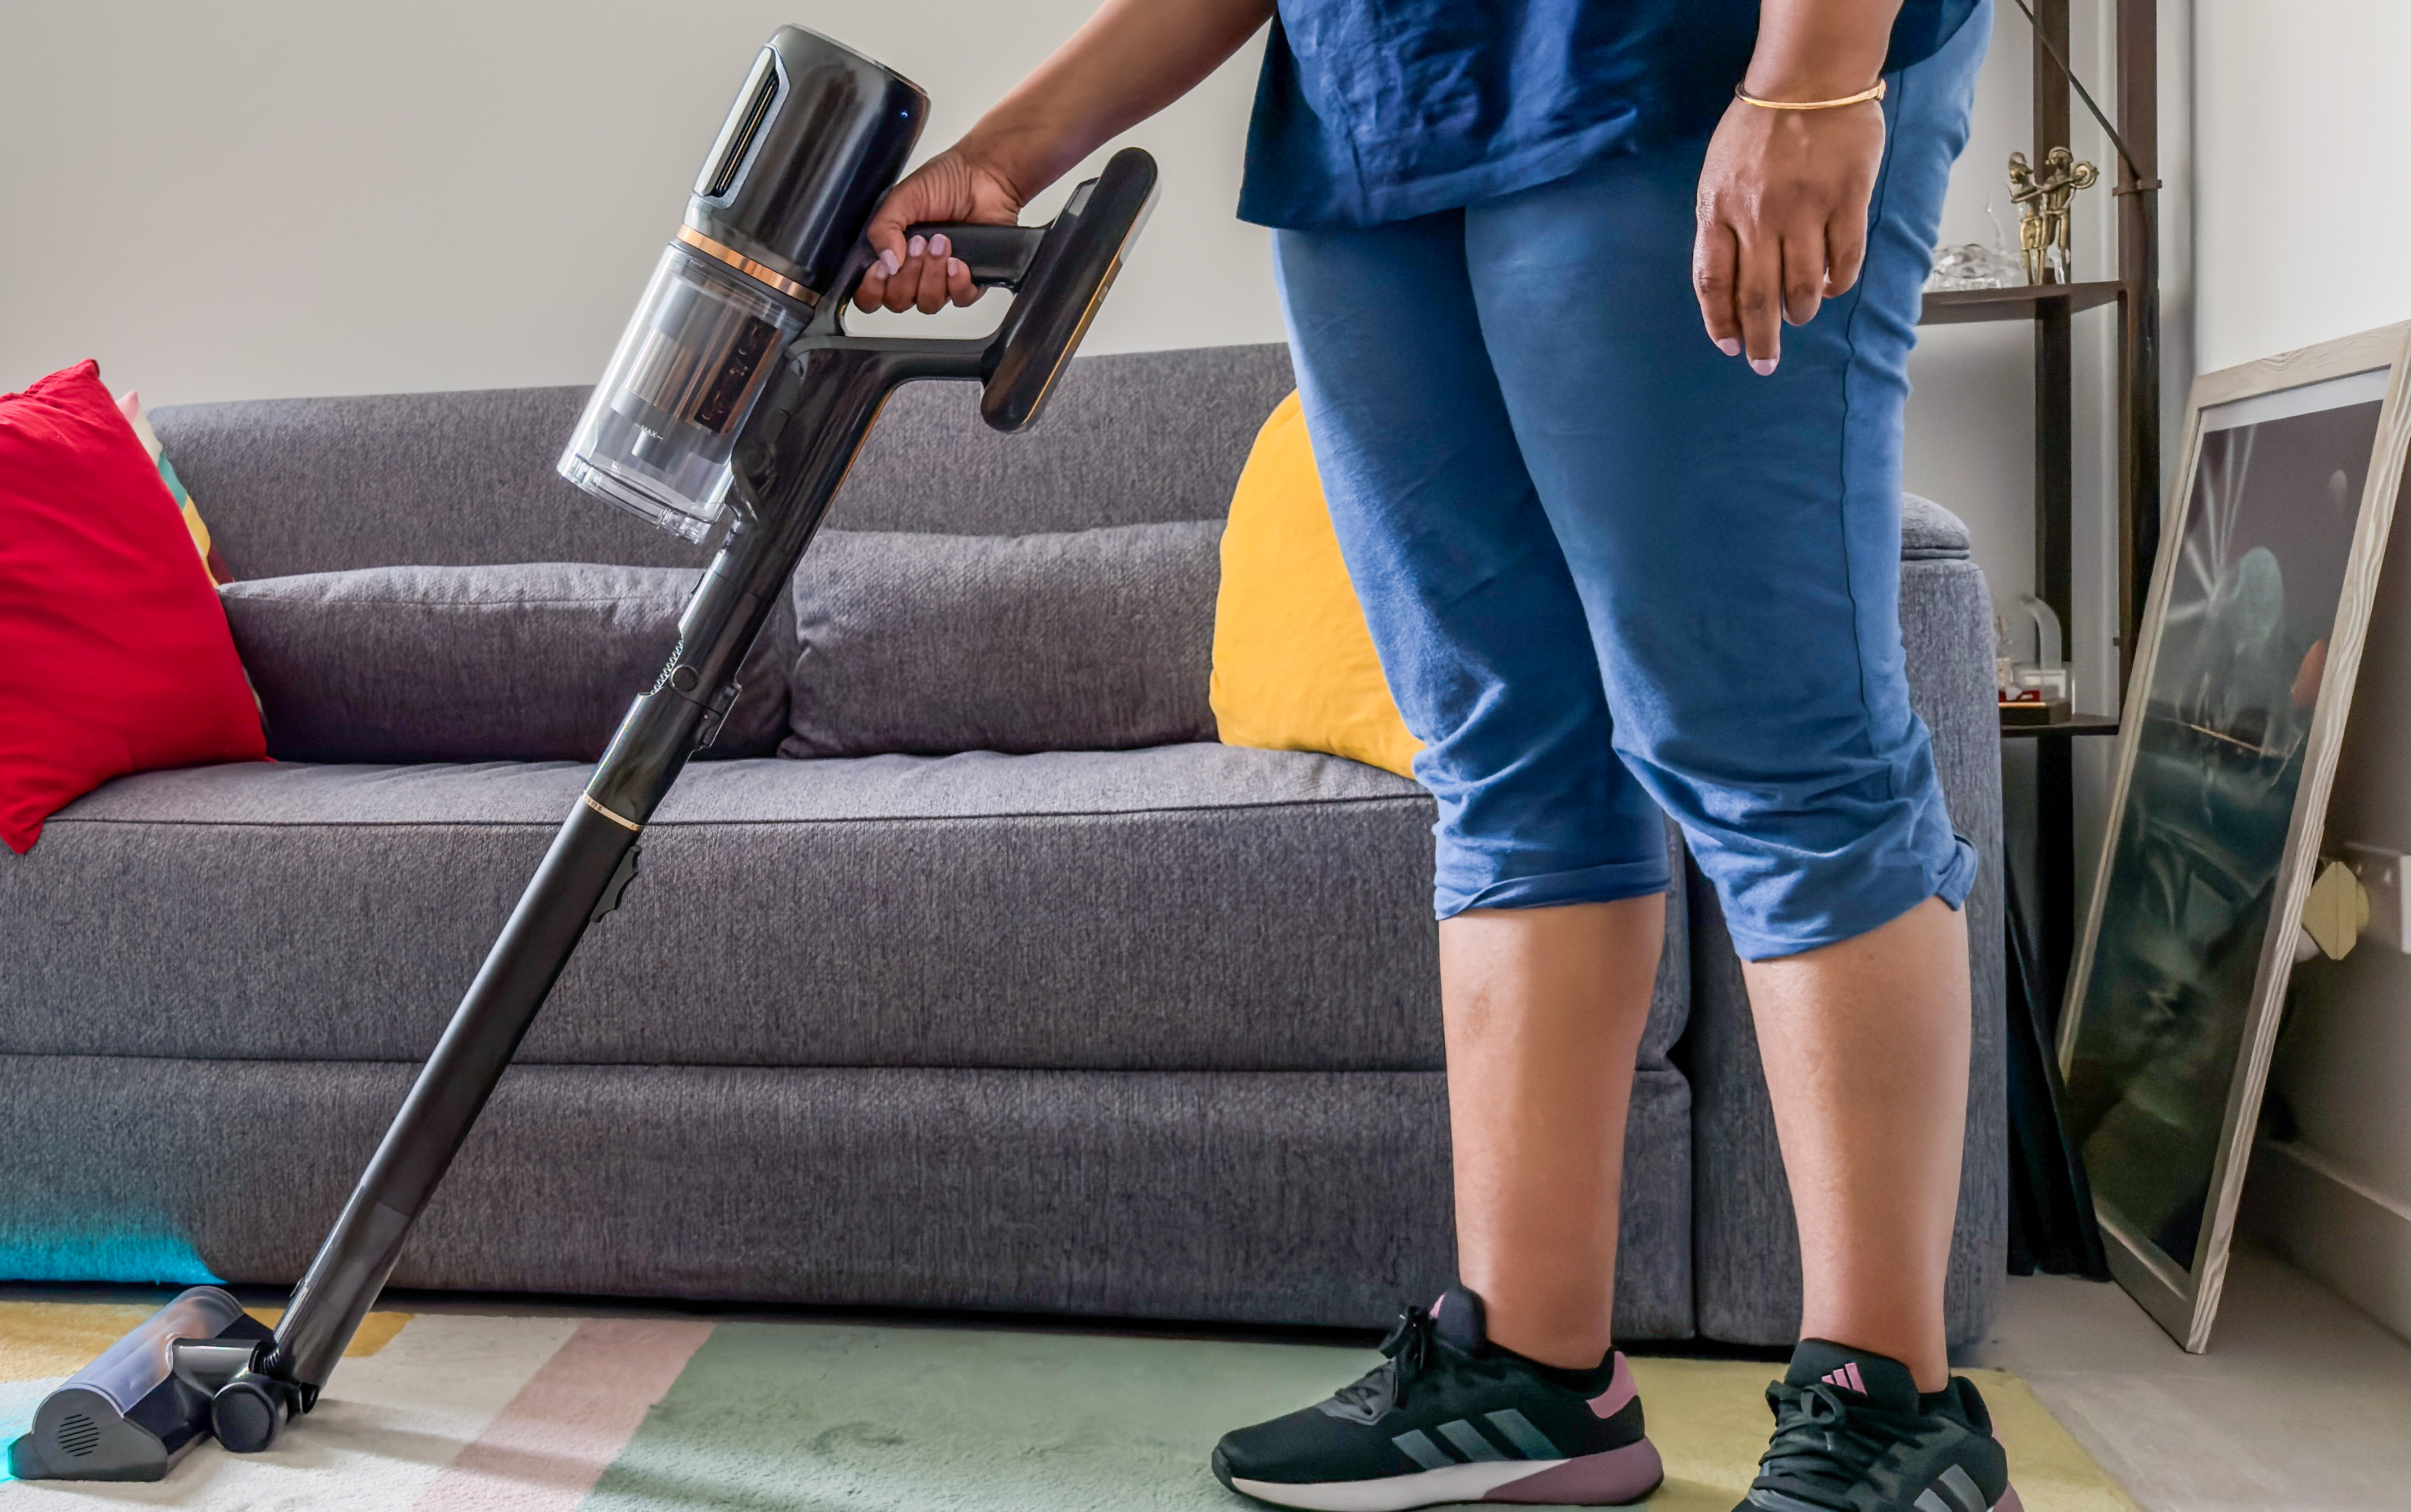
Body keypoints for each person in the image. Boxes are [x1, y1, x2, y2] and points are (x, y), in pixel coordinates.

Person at [854, 2, 2007, 1509]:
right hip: (1378, 105)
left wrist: (1813, 73)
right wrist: (1007, 156)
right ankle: (1531, 1376)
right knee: (1504, 751)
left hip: (1684, 57)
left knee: (1769, 737)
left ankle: (1887, 1416)